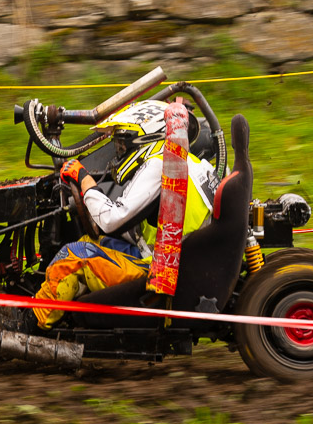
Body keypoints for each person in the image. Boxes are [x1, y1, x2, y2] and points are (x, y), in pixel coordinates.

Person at [32, 101, 219, 328]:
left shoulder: (159, 165)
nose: (119, 151)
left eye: (122, 144)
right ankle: (72, 317)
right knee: (91, 241)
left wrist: (84, 180)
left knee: (73, 256)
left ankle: (33, 322)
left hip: (158, 271)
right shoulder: (193, 163)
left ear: (148, 140)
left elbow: (112, 220)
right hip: (181, 260)